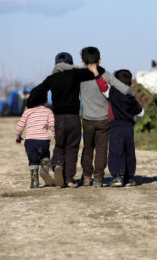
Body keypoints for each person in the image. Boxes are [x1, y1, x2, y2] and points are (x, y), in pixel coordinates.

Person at [26, 52, 105, 188]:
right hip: (73, 118)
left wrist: (28, 104)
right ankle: (69, 179)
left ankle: (57, 165)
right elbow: (99, 70)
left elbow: (37, 91)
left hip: (59, 118)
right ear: (71, 64)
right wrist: (82, 68)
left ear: (55, 65)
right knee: (72, 148)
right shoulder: (75, 74)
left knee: (60, 145)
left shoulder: (51, 78)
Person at [80, 47, 132, 187]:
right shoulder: (106, 75)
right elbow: (126, 89)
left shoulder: (79, 76)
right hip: (103, 119)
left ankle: (86, 176)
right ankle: (98, 178)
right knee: (102, 149)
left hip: (87, 119)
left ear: (83, 62)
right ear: (100, 60)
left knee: (88, 148)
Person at [88, 65, 144, 187]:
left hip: (115, 126)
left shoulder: (112, 92)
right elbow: (141, 112)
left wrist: (95, 73)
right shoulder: (130, 97)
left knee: (116, 151)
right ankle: (129, 178)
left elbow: (102, 86)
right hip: (129, 128)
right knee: (129, 152)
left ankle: (118, 177)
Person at [15, 92, 55, 189]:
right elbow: (53, 124)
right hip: (43, 141)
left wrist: (18, 137)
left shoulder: (28, 112)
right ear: (45, 101)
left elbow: (19, 126)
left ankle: (34, 182)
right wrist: (54, 134)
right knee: (45, 156)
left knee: (33, 160)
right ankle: (44, 171)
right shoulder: (48, 111)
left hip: (30, 142)